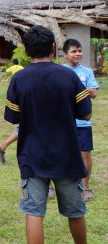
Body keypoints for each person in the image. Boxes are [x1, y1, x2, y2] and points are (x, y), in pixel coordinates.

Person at [4, 25, 91, 244]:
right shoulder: (69, 76)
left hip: (32, 155)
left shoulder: (19, 79)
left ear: (25, 50)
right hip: (67, 155)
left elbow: (12, 117)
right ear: (54, 48)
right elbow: (86, 114)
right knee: (75, 211)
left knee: (34, 212)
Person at [63, 39, 99, 202]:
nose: (78, 54)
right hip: (63, 121)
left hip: (83, 122)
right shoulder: (59, 71)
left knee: (85, 154)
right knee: (60, 152)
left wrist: (75, 90)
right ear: (65, 55)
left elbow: (94, 92)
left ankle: (86, 187)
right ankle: (51, 185)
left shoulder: (87, 71)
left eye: (79, 50)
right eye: (73, 51)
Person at [0, 59, 23, 163]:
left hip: (16, 86)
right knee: (23, 128)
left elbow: (6, 72)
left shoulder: (13, 68)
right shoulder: (21, 68)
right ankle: (2, 146)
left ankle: (2, 146)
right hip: (20, 88)